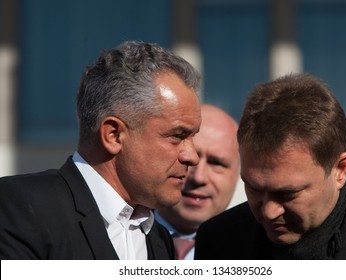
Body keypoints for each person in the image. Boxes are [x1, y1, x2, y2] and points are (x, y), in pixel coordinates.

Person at [0, 41, 202, 260]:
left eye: (192, 137)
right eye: (176, 136)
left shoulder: (158, 238)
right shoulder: (20, 208)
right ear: (113, 135)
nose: (192, 156)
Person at [194, 73, 346, 260]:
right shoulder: (218, 241)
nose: (269, 211)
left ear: (340, 170)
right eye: (253, 188)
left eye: (287, 193)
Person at [155, 104, 240, 259]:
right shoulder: (114, 231)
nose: (198, 177)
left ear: (239, 173)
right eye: (189, 159)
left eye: (216, 163)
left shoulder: (256, 250)